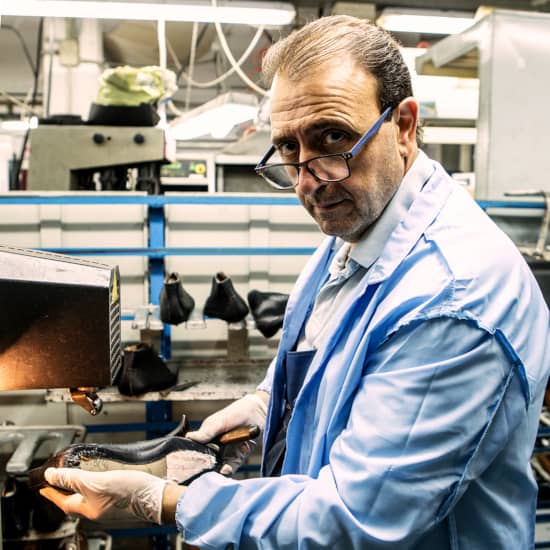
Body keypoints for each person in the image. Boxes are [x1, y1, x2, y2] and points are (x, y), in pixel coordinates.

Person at [41, 15, 550, 549]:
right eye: (289, 148)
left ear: (402, 125)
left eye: (333, 137)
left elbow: (353, 518)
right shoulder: (357, 230)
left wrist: (165, 499)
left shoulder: (452, 300)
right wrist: (269, 408)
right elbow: (334, 364)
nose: (309, 181)